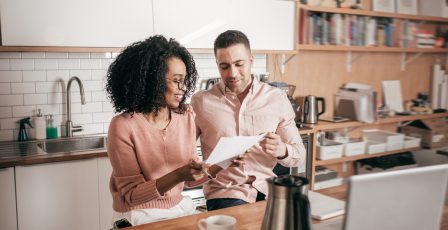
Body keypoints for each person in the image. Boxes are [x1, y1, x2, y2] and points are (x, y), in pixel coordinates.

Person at [105, 35, 243, 227]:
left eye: (184, 80)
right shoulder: (123, 126)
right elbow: (131, 195)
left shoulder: (185, 117)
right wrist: (179, 174)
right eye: (177, 81)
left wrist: (223, 163)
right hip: (138, 214)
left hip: (178, 209)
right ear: (152, 81)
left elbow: (190, 180)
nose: (183, 88)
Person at [191, 30, 306, 211]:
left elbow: (299, 155)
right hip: (226, 192)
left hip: (269, 189)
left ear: (251, 61)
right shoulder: (201, 102)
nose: (232, 73)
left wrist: (282, 150)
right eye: (224, 66)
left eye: (239, 64)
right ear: (217, 65)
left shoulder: (276, 98)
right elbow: (186, 157)